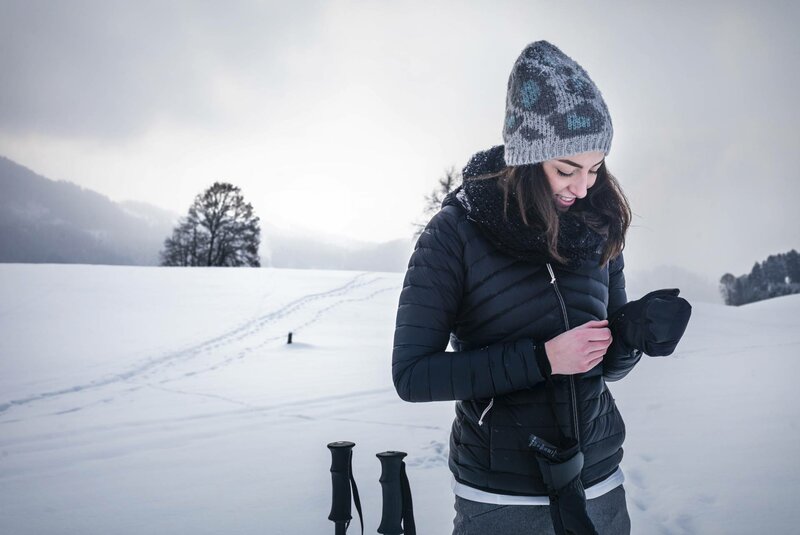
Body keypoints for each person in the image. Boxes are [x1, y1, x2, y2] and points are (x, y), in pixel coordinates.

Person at [391, 41, 691, 534]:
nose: (583, 187)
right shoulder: (455, 233)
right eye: (566, 170)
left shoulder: (598, 226)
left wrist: (632, 335)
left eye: (595, 169)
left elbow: (606, 368)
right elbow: (412, 375)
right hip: (501, 495)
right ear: (527, 160)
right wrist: (541, 360)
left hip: (597, 483)